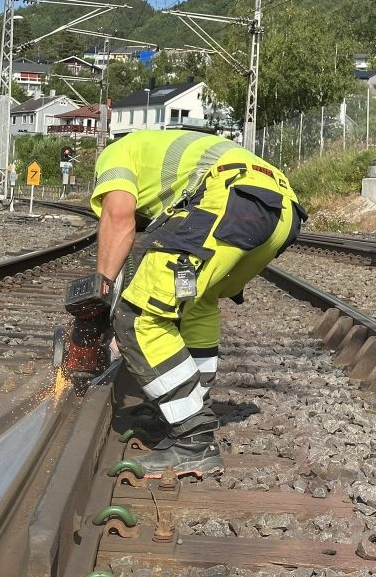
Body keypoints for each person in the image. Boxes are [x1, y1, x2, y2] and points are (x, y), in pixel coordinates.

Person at [91, 129, 306, 479]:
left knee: (137, 314)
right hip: (280, 208)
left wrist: (99, 299)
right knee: (197, 302)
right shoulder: (165, 152)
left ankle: (193, 436)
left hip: (230, 197)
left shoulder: (115, 154)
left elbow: (118, 217)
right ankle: (188, 407)